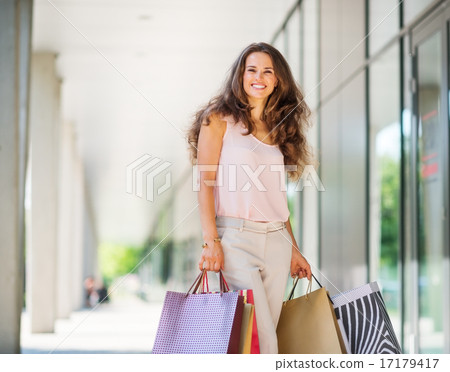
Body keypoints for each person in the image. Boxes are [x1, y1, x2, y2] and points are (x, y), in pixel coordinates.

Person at [187, 42, 313, 354]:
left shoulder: (278, 127)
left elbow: (277, 199)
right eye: (252, 70)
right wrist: (210, 240)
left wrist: (294, 250)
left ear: (278, 80)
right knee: (262, 338)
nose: (259, 77)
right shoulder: (217, 120)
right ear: (240, 76)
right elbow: (205, 183)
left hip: (277, 242)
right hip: (237, 240)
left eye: (268, 71)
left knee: (259, 339)